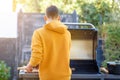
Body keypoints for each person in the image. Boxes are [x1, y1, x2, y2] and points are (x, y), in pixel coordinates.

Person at [25, 5, 72, 80]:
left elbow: (37, 56)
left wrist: (29, 66)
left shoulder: (38, 33)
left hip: (48, 76)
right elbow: (65, 53)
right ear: (59, 18)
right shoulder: (67, 33)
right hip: (65, 76)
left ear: (45, 18)